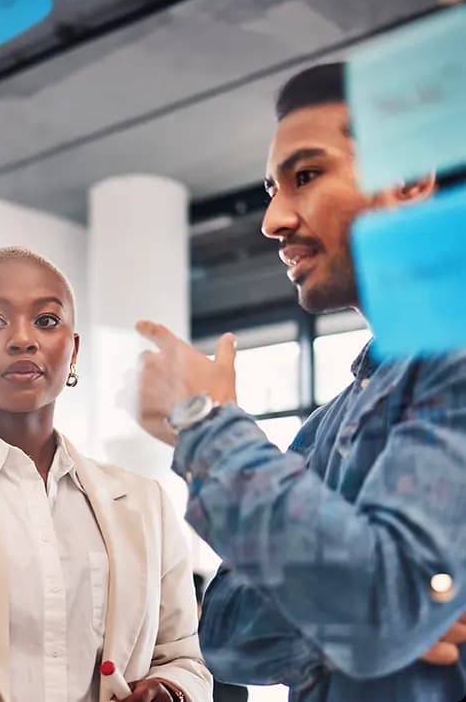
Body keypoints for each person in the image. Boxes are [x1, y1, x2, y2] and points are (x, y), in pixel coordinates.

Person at [133, 63, 466, 701]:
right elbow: (227, 630)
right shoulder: (331, 420)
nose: (273, 219)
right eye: (270, 188)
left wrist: (205, 423)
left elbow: (379, 606)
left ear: (407, 180)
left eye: (306, 176)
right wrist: (366, 618)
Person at [0, 247, 212, 702]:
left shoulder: (144, 503)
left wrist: (170, 690)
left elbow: (185, 656)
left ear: (73, 350)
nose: (22, 339)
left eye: (47, 321)